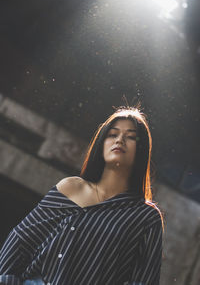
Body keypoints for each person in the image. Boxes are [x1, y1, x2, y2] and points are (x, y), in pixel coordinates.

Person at [0, 106, 163, 285]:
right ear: (101, 142)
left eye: (130, 136)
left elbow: (144, 281)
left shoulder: (146, 218)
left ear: (141, 149)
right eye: (112, 134)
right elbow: (21, 241)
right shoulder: (71, 188)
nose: (120, 139)